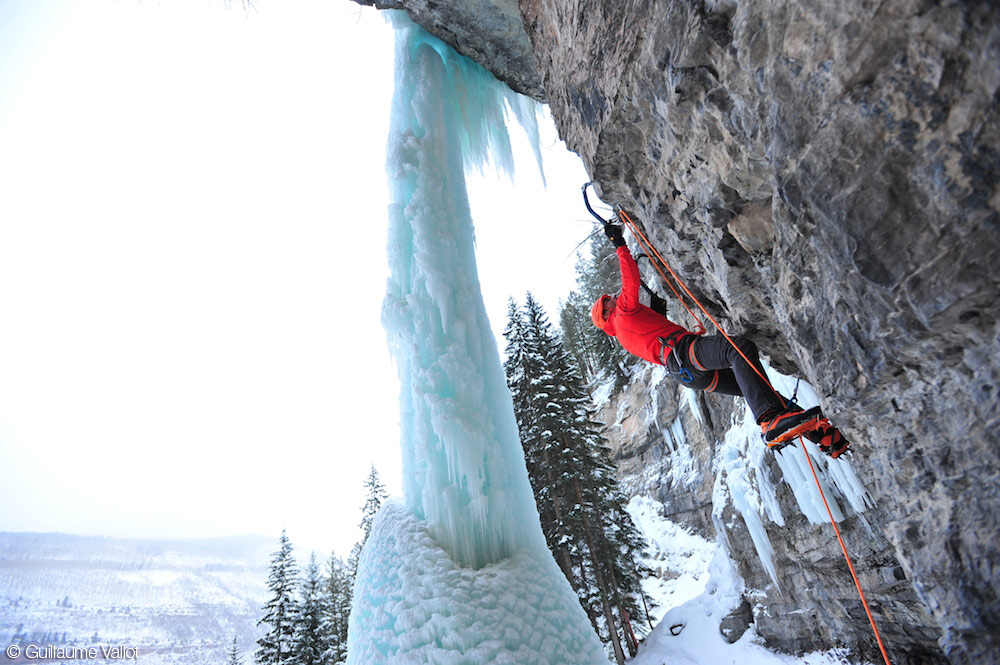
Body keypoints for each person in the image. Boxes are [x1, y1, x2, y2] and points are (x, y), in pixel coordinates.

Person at [591, 222, 848, 458]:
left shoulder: (624, 334)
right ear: (606, 313)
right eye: (607, 301)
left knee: (759, 389)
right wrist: (619, 243)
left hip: (686, 372)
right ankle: (769, 423)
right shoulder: (621, 313)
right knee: (738, 349)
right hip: (684, 354)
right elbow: (631, 281)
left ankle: (826, 438)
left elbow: (651, 338)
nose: (612, 297)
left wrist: (658, 312)